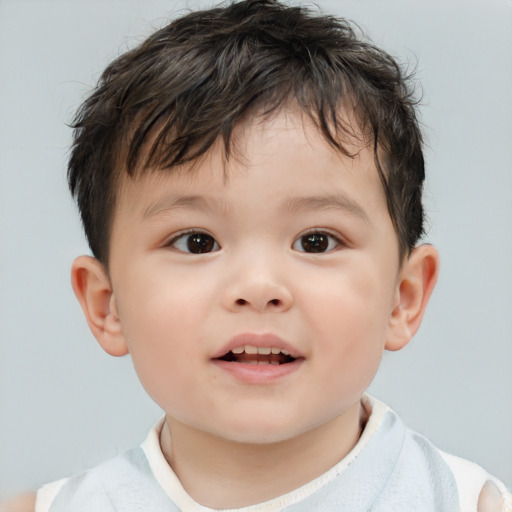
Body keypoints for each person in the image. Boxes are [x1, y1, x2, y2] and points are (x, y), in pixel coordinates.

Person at [34, 0, 511, 510]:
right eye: (197, 241)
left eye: (316, 241)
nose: (258, 287)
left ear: (403, 298)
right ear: (107, 304)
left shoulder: (465, 501)